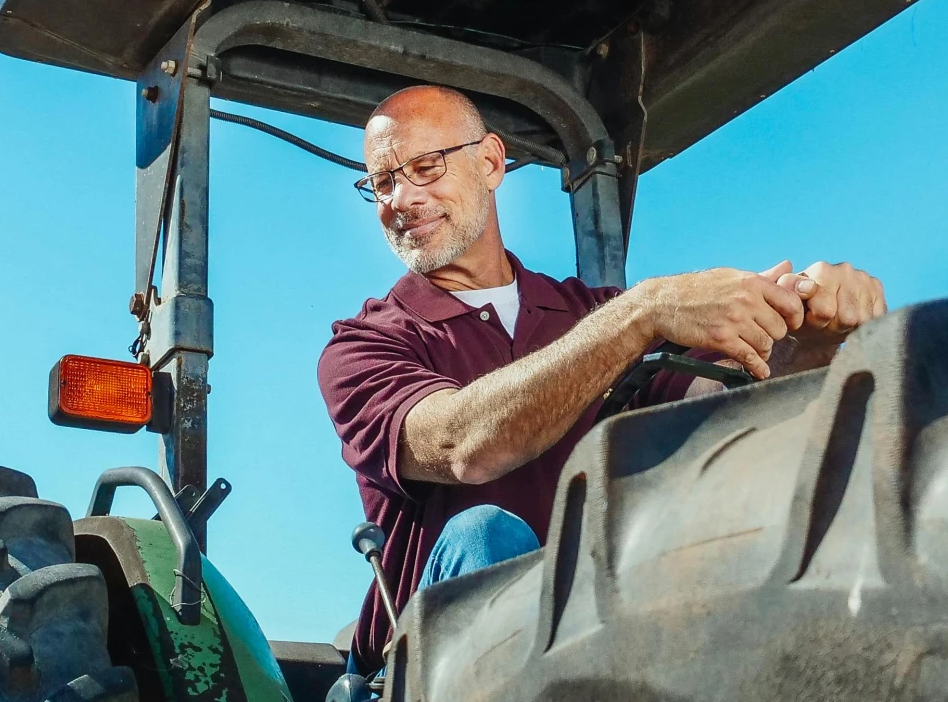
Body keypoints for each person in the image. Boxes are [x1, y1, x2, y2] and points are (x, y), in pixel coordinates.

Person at [319, 84, 884, 668]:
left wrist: (812, 340)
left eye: (424, 167)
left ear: (489, 162)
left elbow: (720, 401)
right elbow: (463, 445)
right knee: (485, 535)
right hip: (422, 689)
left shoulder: (599, 314)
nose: (401, 199)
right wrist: (643, 312)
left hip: (610, 639)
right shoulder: (365, 345)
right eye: (382, 183)